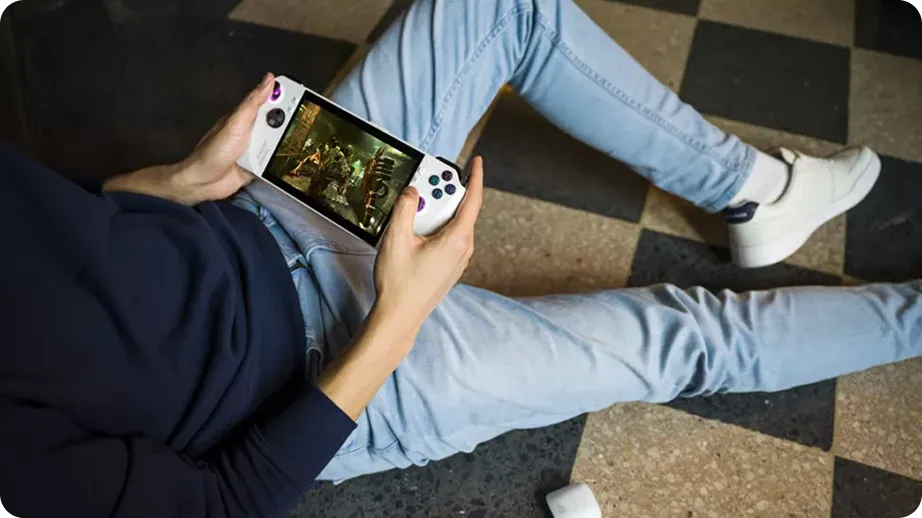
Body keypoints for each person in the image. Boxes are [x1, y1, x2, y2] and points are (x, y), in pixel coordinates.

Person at [1, 0, 917, 517]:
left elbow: (54, 228)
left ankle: (755, 194)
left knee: (498, 4)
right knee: (678, 338)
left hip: (254, 212)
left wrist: (160, 184)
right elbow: (227, 504)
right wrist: (397, 322)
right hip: (324, 373)